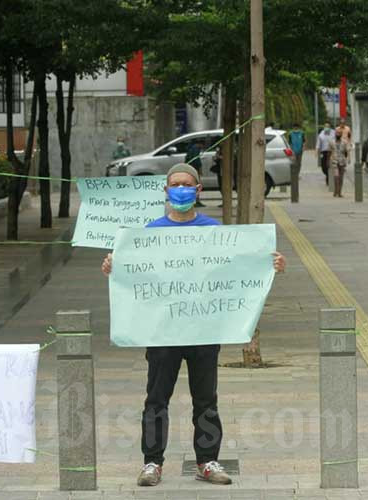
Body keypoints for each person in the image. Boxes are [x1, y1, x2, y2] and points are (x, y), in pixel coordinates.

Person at [101, 163, 286, 487]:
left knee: (206, 399)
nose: (181, 189)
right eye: (176, 184)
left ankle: (207, 461)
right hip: (162, 333)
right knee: (156, 398)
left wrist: (270, 265)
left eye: (187, 184)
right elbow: (134, 274)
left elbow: (240, 268)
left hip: (203, 330)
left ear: (198, 189)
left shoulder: (215, 233)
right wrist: (114, 267)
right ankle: (152, 463)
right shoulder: (148, 234)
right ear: (166, 191)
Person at [185, 139, 206, 207]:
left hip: (189, 169)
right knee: (196, 185)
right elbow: (197, 160)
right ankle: (196, 201)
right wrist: (200, 170)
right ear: (200, 144)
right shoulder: (196, 149)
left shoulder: (190, 148)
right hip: (195, 169)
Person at [331, 127, 350, 197]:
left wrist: (348, 158)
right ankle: (336, 190)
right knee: (336, 177)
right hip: (334, 161)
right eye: (337, 133)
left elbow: (347, 151)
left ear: (341, 134)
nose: (338, 134)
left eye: (339, 133)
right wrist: (328, 160)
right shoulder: (331, 142)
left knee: (341, 177)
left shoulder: (344, 142)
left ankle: (339, 192)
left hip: (342, 161)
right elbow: (329, 151)